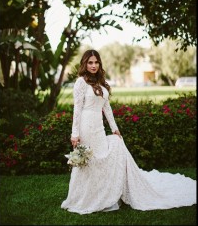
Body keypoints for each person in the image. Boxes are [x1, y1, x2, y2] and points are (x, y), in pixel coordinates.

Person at [61, 49, 196, 215]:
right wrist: (75, 133)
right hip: (85, 125)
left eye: (96, 62)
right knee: (89, 161)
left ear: (99, 64)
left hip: (99, 128)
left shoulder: (101, 82)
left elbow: (107, 108)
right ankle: (85, 197)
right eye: (90, 62)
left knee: (102, 159)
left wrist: (115, 129)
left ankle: (105, 195)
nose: (94, 65)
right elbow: (77, 109)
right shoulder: (81, 82)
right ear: (84, 64)